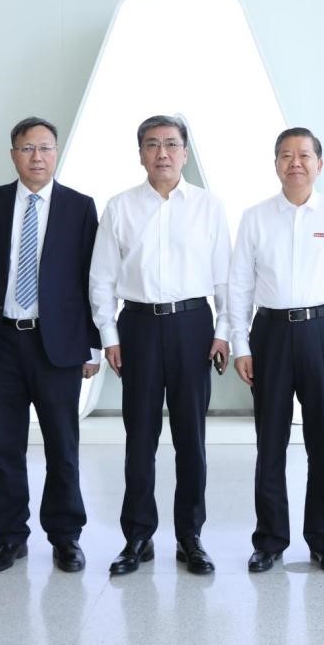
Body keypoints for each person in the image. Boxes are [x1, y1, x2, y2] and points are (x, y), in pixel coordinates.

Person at [89, 114, 231, 576]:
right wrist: (110, 336)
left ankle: (190, 537)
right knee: (140, 438)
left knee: (191, 439)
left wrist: (224, 332)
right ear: (141, 155)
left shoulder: (208, 206)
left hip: (193, 325)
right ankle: (138, 536)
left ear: (185, 153)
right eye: (152, 144)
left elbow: (224, 279)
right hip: (138, 327)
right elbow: (101, 279)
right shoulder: (120, 207)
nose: (162, 153)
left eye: (171, 144)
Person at [0, 116, 101, 574]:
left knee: (63, 447)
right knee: (5, 447)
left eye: (45, 148)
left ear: (56, 153)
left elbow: (92, 281)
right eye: (27, 148)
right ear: (13, 154)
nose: (36, 157)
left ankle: (65, 537)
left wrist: (93, 345)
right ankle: (10, 537)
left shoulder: (80, 207)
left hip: (57, 345)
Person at [228, 128, 324, 574]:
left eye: (304, 155)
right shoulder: (256, 217)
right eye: (286, 155)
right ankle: (269, 540)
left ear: (320, 164)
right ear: (276, 164)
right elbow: (239, 285)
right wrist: (241, 343)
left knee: (322, 441)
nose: (295, 163)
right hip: (269, 332)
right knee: (270, 441)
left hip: (323, 331)